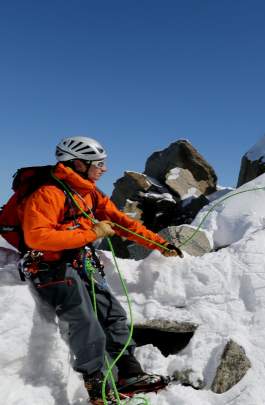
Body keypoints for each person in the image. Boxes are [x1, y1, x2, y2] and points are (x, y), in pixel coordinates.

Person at [19, 136, 181, 404]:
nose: (104, 168)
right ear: (79, 164)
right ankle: (96, 383)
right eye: (99, 163)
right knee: (85, 320)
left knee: (114, 314)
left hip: (79, 261)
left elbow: (121, 222)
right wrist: (90, 233)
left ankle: (128, 370)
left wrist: (159, 243)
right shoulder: (48, 193)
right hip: (50, 268)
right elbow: (37, 237)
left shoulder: (89, 193)